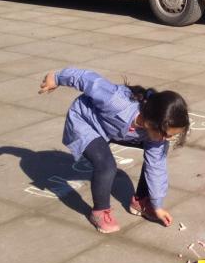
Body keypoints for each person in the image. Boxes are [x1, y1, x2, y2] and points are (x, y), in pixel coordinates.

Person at [38, 68, 189, 233]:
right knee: (106, 165)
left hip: (115, 130)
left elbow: (156, 168)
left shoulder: (156, 136)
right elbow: (87, 79)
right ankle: (99, 212)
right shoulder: (115, 100)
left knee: (156, 155)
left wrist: (157, 205)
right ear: (151, 122)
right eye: (166, 135)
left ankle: (140, 202)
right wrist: (56, 77)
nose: (166, 139)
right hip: (86, 123)